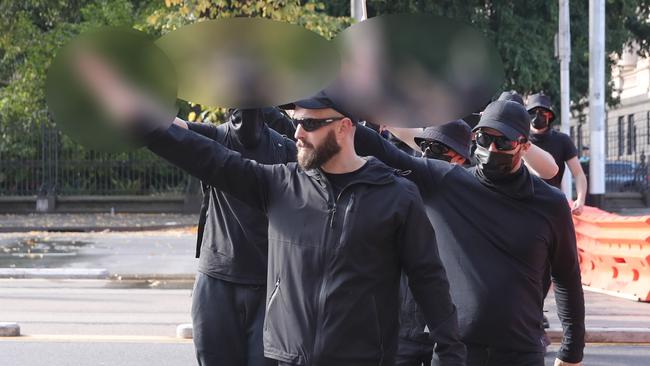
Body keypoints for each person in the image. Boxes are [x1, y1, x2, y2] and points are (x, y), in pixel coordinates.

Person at [73, 54, 467, 366]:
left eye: (311, 124)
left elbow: (430, 285)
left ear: (345, 128)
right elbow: (202, 155)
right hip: (286, 358)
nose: (297, 132)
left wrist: (449, 356)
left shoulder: (396, 197)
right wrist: (126, 104)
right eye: (296, 122)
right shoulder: (280, 185)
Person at [354, 100, 585, 366]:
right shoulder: (448, 183)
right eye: (485, 138)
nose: (492, 149)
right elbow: (385, 152)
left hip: (520, 352)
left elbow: (567, 276)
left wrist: (572, 351)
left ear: (524, 145)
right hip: (455, 352)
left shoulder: (550, 204)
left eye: (504, 142)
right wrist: (335, 107)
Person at [174, 108, 295, 366]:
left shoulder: (288, 143)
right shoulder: (214, 137)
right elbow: (168, 128)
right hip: (217, 283)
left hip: (270, 285)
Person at [527, 92, 587, 215]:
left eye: (542, 112)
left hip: (551, 204)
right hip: (524, 203)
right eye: (533, 112)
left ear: (549, 116)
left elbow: (579, 173)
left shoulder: (562, 140)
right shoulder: (518, 139)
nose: (537, 116)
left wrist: (580, 200)